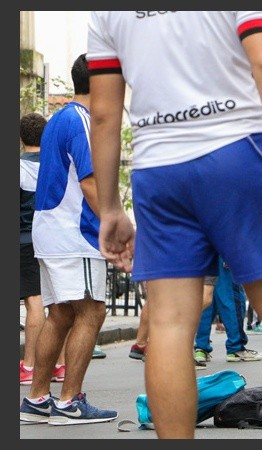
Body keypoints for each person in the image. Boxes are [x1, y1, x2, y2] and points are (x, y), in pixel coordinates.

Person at [87, 12, 262, 438]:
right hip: (237, 149)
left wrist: (110, 207)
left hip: (158, 168)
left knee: (168, 323)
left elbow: (105, 112)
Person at [19, 54, 117, 425]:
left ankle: (37, 399)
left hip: (52, 229)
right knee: (92, 311)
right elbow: (91, 180)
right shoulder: (83, 122)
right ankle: (68, 402)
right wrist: (113, 223)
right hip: (76, 231)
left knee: (60, 313)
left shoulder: (60, 118)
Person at [19, 112, 67, 385]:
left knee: (34, 302)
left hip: (25, 238)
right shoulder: (57, 165)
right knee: (58, 304)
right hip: (55, 239)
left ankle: (29, 365)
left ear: (21, 137)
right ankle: (59, 365)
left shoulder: (19, 167)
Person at [194, 258, 262, 365]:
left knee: (207, 299)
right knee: (231, 299)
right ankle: (235, 348)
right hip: (221, 253)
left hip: (203, 253)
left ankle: (201, 349)